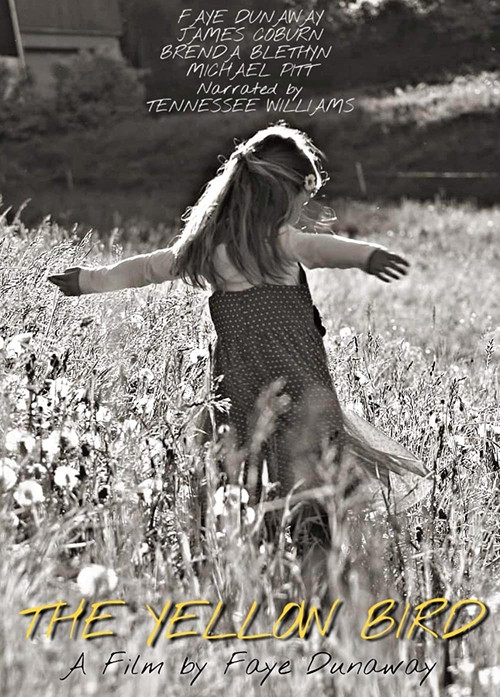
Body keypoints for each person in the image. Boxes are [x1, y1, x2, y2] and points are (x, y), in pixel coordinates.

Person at [49, 123, 427, 593]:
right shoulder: (281, 243)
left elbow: (147, 268)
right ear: (280, 194)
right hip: (297, 387)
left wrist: (89, 281)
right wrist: (368, 256)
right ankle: (312, 573)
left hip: (244, 392)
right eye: (304, 192)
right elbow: (323, 249)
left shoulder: (210, 250)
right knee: (309, 483)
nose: (305, 205)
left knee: (252, 481)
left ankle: (269, 567)